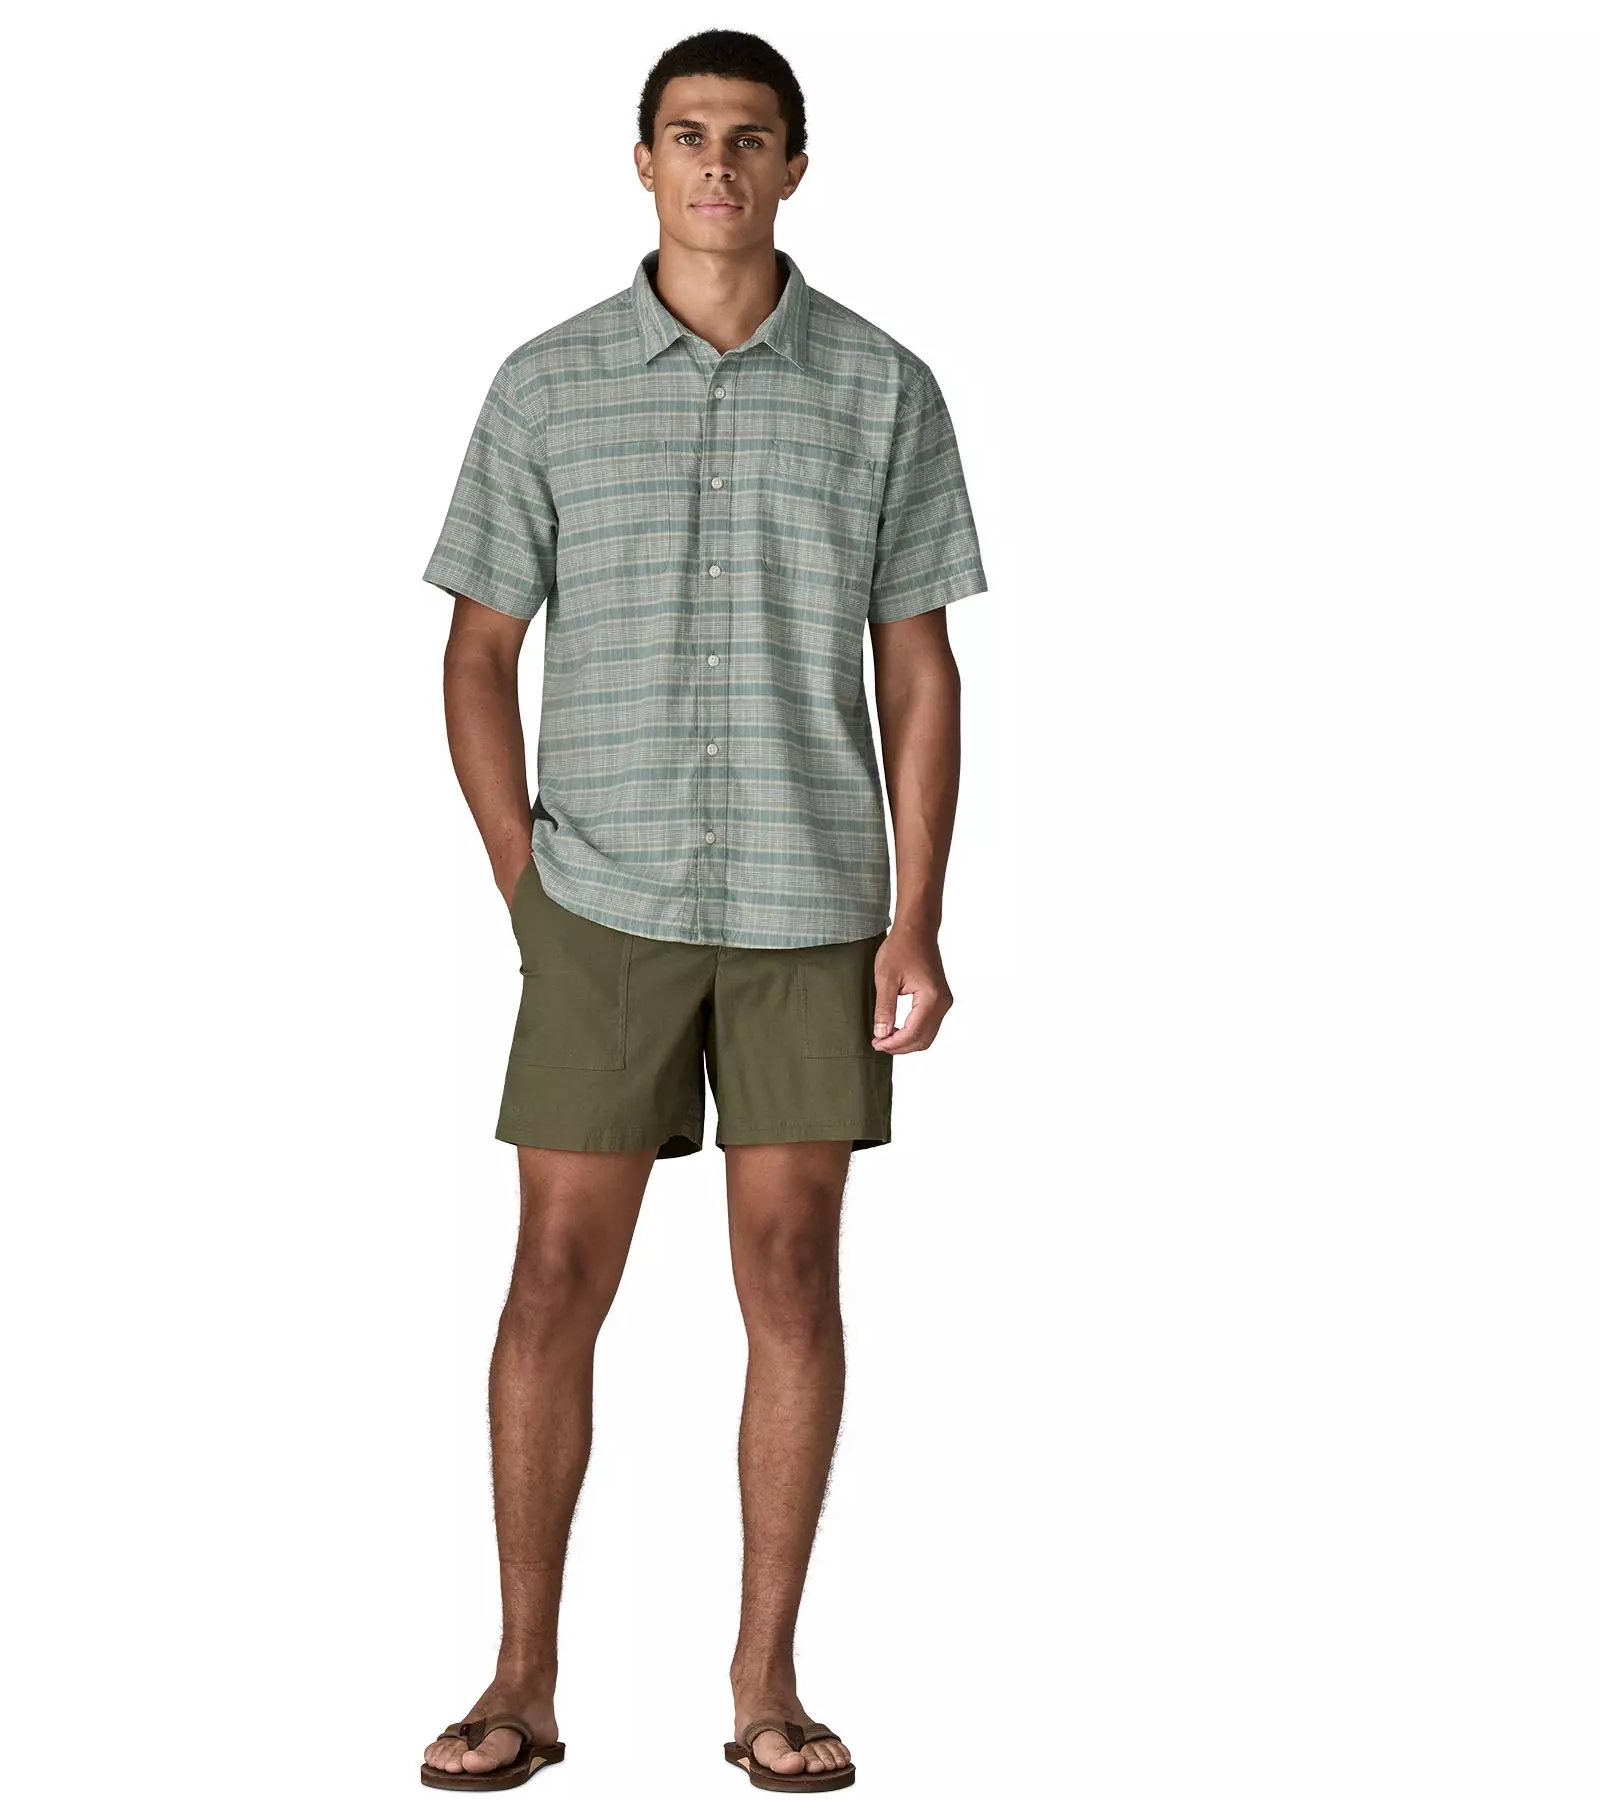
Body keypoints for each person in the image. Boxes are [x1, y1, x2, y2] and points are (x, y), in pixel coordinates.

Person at [417, 28, 986, 1793]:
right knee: (552, 1277)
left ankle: (766, 1684)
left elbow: (919, 666)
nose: (718, 165)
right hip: (601, 898)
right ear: (643, 160)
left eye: (750, 137)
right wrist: (526, 884)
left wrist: (917, 914)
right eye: (687, 134)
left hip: (816, 900)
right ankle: (521, 1679)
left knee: (794, 1273)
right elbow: (478, 651)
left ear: (796, 165)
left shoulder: (885, 389)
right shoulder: (546, 385)